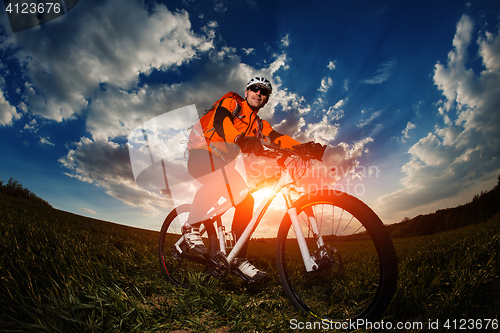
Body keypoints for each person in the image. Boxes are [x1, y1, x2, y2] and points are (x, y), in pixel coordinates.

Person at [182, 76, 302, 281]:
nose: (259, 93)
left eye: (264, 92)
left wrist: (301, 147)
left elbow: (276, 137)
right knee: (217, 180)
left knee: (246, 199)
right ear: (246, 92)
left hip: (222, 165)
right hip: (201, 153)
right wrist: (239, 139)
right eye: (255, 89)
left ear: (266, 99)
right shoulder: (232, 103)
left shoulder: (258, 124)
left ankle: (237, 259)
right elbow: (222, 121)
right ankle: (190, 226)